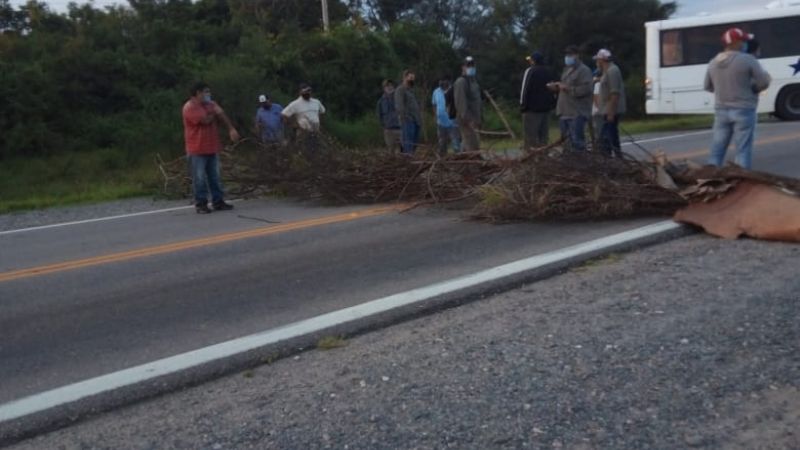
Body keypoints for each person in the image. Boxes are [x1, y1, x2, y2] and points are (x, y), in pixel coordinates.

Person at [704, 28, 771, 169]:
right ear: (738, 42)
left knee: (717, 148)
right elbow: (763, 82)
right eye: (744, 40)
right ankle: (741, 178)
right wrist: (753, 89)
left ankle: (710, 176)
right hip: (744, 109)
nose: (745, 43)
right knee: (743, 149)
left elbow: (707, 86)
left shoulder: (713, 62)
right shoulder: (748, 59)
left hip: (721, 110)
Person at [182, 82, 240, 214]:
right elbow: (205, 120)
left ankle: (218, 201)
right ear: (198, 93)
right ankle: (201, 204)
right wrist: (214, 112)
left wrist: (231, 129)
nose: (208, 94)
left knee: (215, 177)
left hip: (212, 146)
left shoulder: (210, 104)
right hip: (197, 149)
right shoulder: (190, 107)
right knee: (199, 178)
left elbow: (222, 114)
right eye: (206, 92)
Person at [548, 45, 593, 152]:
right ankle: (569, 161)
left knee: (577, 142)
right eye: (567, 54)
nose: (568, 57)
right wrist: (556, 87)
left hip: (576, 112)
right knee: (566, 143)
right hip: (564, 111)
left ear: (577, 55)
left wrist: (567, 88)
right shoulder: (567, 70)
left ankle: (580, 161)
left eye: (570, 54)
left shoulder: (584, 70)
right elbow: (563, 86)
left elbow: (586, 89)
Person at [519, 51, 557, 149]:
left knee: (530, 137)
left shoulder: (530, 71)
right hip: (546, 109)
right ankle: (543, 155)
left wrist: (523, 106)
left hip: (531, 109)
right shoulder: (548, 71)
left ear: (534, 61)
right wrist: (552, 105)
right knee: (543, 137)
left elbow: (525, 89)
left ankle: (531, 156)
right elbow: (553, 88)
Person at [594, 49, 627, 158]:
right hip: (606, 109)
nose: (597, 62)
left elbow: (614, 93)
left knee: (608, 137)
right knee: (609, 137)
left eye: (598, 60)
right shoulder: (607, 71)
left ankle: (615, 158)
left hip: (611, 110)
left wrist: (611, 113)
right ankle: (612, 158)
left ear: (602, 60)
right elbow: (607, 82)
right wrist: (598, 80)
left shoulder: (613, 70)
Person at [281, 84, 326, 151]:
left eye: (309, 91)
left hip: (315, 132)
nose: (308, 93)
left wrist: (320, 123)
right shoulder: (295, 104)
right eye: (305, 92)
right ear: (301, 92)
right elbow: (284, 115)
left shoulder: (316, 102)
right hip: (303, 133)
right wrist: (294, 125)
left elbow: (322, 112)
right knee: (303, 150)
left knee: (316, 150)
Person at [454, 56, 482, 152]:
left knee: (473, 146)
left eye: (472, 65)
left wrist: (479, 119)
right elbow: (461, 104)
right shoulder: (461, 82)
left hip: (475, 120)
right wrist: (469, 120)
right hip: (467, 122)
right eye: (468, 66)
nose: (471, 68)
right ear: (463, 67)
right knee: (471, 147)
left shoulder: (474, 82)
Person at [394, 70, 422, 154]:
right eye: (410, 78)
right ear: (405, 77)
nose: (412, 80)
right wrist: (405, 117)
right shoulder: (400, 90)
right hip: (407, 121)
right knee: (408, 143)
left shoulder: (412, 91)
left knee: (415, 142)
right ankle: (408, 158)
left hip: (416, 120)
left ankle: (411, 156)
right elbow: (399, 106)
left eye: (413, 78)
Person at [432, 77, 461, 156]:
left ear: (448, 81)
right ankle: (443, 159)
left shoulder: (454, 90)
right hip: (440, 122)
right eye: (440, 81)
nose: (441, 82)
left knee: (455, 142)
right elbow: (434, 104)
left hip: (453, 121)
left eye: (443, 80)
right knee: (442, 143)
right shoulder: (436, 92)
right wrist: (435, 115)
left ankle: (459, 157)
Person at [376, 79, 402, 152]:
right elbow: (379, 115)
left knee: (402, 151)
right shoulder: (380, 101)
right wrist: (384, 126)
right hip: (389, 130)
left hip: (400, 129)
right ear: (384, 88)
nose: (390, 87)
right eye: (387, 86)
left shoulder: (399, 98)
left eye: (391, 85)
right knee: (391, 151)